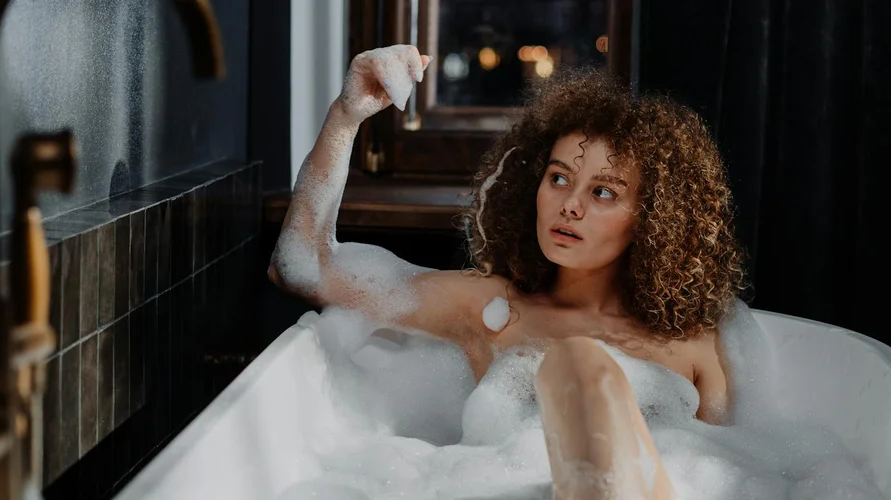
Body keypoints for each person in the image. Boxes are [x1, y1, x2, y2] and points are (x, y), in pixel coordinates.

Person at [269, 44, 746, 499]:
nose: (570, 206)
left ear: (653, 219)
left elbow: (722, 472)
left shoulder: (694, 347)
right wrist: (345, 116)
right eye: (558, 178)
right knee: (577, 366)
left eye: (603, 192)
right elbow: (304, 268)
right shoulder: (491, 309)